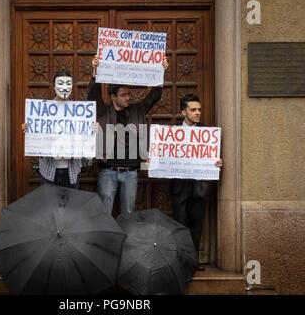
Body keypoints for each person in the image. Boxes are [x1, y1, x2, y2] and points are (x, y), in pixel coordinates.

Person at [88, 55, 169, 215]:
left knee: (128, 215)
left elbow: (155, 96)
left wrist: (161, 71)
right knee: (104, 215)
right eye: (123, 95)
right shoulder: (103, 111)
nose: (128, 98)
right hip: (108, 171)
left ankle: (127, 241)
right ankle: (107, 241)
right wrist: (95, 70)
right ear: (113, 97)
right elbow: (93, 94)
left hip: (131, 173)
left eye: (128, 94)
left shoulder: (137, 110)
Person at [169, 93, 223, 271]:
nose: (198, 113)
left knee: (196, 224)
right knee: (179, 223)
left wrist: (217, 162)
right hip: (179, 186)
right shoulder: (171, 133)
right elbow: (164, 154)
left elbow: (212, 156)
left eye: (199, 109)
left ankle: (193, 260)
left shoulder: (208, 134)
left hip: (199, 186)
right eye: (193, 110)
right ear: (183, 112)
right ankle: (180, 261)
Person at [22, 71, 83, 189]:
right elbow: (37, 133)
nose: (64, 88)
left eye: (68, 84)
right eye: (60, 83)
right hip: (49, 170)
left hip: (71, 170)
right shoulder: (42, 111)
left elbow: (84, 136)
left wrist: (91, 129)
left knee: (70, 206)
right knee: (49, 206)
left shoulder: (80, 111)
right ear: (54, 87)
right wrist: (29, 129)